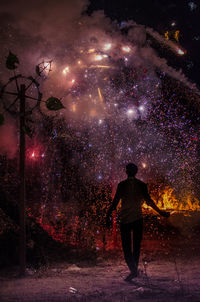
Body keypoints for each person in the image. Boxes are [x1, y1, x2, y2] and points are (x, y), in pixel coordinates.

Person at [106, 163, 170, 282]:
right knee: (136, 247)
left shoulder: (122, 185)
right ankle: (134, 269)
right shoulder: (141, 185)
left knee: (126, 248)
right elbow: (149, 202)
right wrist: (161, 212)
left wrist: (107, 216)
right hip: (137, 219)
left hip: (125, 219)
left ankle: (133, 270)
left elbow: (114, 203)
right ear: (136, 172)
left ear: (126, 172)